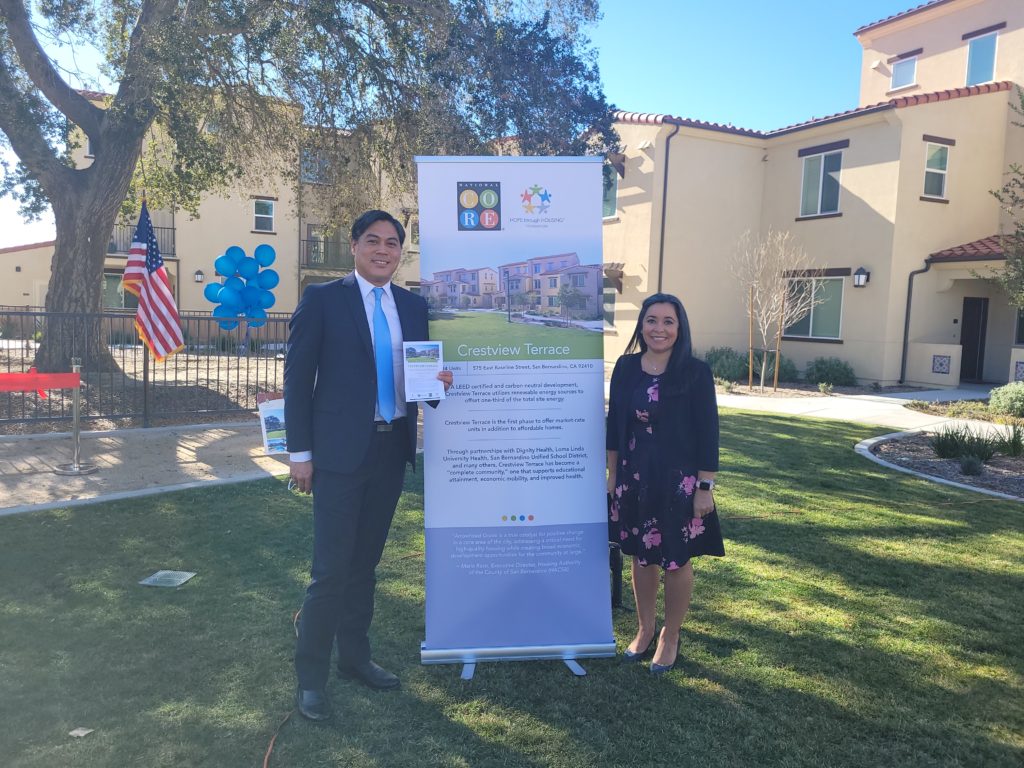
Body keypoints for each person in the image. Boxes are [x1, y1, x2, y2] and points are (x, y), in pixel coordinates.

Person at [285, 209, 453, 721]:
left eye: (392, 243)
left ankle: (354, 659)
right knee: (330, 572)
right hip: (337, 457)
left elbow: (419, 383)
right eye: (373, 241)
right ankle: (311, 679)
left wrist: (438, 384)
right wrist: (300, 454)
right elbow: (298, 380)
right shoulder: (322, 299)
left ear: (401, 252)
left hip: (389, 451)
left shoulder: (412, 305)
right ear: (355, 245)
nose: (384, 250)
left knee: (364, 567)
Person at [606, 293, 723, 675]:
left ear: (679, 327)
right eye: (652, 320)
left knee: (676, 559)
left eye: (668, 321)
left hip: (679, 484)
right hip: (634, 478)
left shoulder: (695, 372)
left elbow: (708, 432)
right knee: (641, 556)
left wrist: (704, 488)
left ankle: (670, 635)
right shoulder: (625, 367)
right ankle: (645, 628)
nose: (659, 328)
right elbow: (614, 425)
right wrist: (612, 476)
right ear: (641, 326)